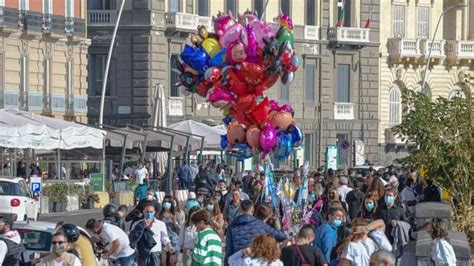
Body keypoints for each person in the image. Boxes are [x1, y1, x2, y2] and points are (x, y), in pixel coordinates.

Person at [159, 196, 180, 264]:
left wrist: (175, 222)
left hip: (173, 241)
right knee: (162, 262)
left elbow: (180, 230)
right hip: (163, 241)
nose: (166, 203)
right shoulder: (159, 215)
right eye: (165, 201)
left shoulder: (176, 214)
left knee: (172, 262)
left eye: (168, 201)